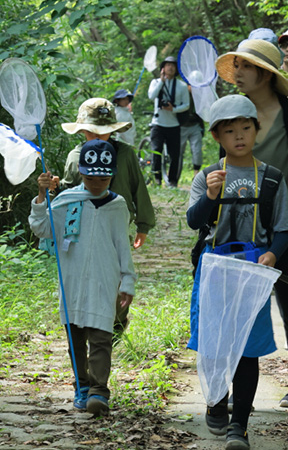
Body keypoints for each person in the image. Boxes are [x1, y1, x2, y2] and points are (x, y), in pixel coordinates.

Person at [215, 39, 288, 408]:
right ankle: (231, 390)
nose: (239, 74)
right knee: (236, 311)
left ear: (265, 74)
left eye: (245, 67)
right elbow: (225, 173)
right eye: (236, 68)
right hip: (243, 234)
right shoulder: (233, 118)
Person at [186, 95, 288, 449]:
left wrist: (272, 254)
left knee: (247, 349)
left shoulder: (272, 178)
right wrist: (210, 197)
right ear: (217, 136)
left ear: (256, 131)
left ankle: (240, 425)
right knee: (215, 344)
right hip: (215, 268)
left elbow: (284, 227)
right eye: (229, 131)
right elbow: (193, 221)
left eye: (246, 128)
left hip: (252, 271)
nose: (239, 136)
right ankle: (216, 402)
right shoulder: (206, 176)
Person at [29, 139, 136, 417]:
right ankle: (82, 386)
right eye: (90, 176)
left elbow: (122, 247)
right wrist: (42, 196)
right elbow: (42, 228)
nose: (96, 182)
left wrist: (127, 281)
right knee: (75, 338)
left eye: (102, 176)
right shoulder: (67, 201)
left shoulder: (117, 205)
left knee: (101, 337)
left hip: (104, 282)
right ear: (81, 173)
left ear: (112, 174)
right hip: (73, 282)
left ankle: (99, 390)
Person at [59, 98, 155, 336]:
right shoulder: (75, 156)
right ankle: (86, 325)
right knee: (87, 277)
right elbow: (68, 190)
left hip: (116, 226)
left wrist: (143, 224)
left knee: (117, 275)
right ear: (82, 131)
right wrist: (53, 188)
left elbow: (137, 188)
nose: (98, 137)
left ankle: (115, 324)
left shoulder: (124, 154)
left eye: (103, 133)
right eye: (92, 132)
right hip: (83, 228)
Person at [148, 56, 190, 187]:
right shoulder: (155, 82)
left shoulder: (182, 86)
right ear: (163, 68)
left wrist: (174, 109)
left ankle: (173, 181)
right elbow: (151, 96)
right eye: (167, 65)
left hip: (173, 124)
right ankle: (157, 179)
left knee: (175, 154)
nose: (170, 67)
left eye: (173, 65)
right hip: (158, 123)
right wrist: (161, 81)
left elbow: (187, 104)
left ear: (176, 69)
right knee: (156, 151)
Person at [179, 86, 204, 178]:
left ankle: (196, 173)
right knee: (179, 152)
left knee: (197, 150)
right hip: (182, 126)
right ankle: (175, 174)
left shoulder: (200, 96)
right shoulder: (181, 92)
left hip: (195, 125)